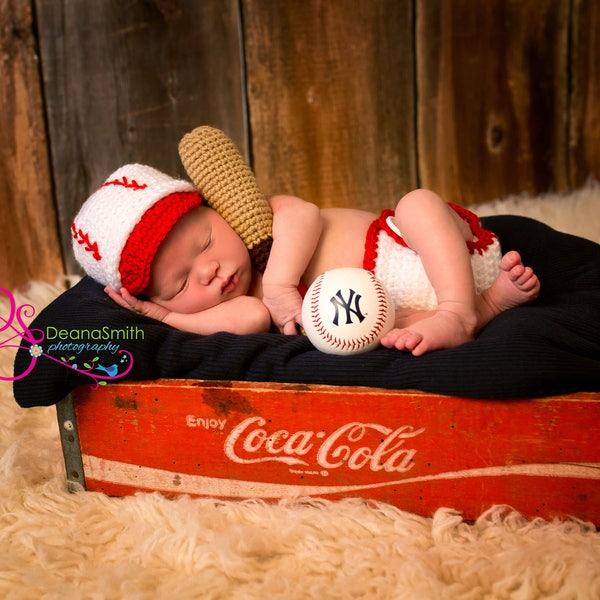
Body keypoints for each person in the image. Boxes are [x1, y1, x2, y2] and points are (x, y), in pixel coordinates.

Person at [72, 162, 539, 357]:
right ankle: (487, 306)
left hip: (424, 247)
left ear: (215, 210)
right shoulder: (241, 303)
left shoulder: (268, 222)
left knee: (417, 202)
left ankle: (459, 310)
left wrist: (278, 282)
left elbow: (306, 215)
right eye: (180, 285)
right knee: (404, 334)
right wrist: (166, 316)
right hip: (408, 313)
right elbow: (253, 318)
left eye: (205, 244)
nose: (209, 271)